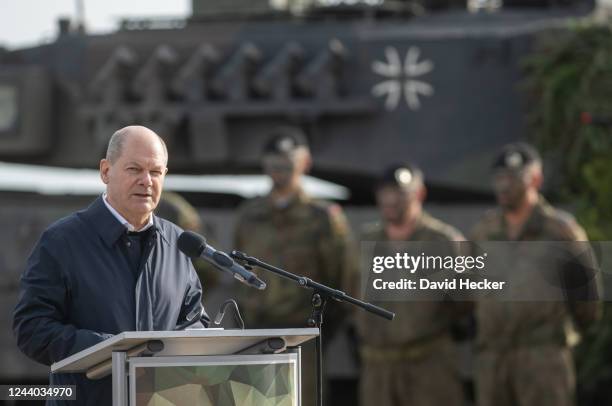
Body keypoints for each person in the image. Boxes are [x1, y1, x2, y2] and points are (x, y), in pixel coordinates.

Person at [13, 125, 209, 406]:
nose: (146, 181)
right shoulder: (62, 241)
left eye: (155, 172)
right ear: (106, 171)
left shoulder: (177, 243)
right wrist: (112, 351)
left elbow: (194, 320)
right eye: (134, 169)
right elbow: (32, 329)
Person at [470, 142, 601, 406]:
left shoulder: (560, 231)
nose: (505, 186)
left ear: (536, 179)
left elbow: (587, 301)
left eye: (514, 178)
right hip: (493, 359)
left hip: (543, 359)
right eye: (499, 179)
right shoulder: (483, 233)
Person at [233, 126, 356, 405]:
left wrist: (317, 330)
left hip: (302, 339)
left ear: (305, 163)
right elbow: (238, 271)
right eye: (275, 163)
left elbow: (340, 282)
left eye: (288, 163)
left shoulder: (323, 218)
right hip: (256, 336)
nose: (280, 170)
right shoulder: (249, 216)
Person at [354, 163, 465, 406]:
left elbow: (466, 303)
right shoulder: (365, 241)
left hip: (428, 366)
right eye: (386, 192)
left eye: (400, 192)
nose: (391, 199)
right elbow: (348, 294)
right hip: (377, 369)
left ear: (419, 194)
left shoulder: (444, 241)